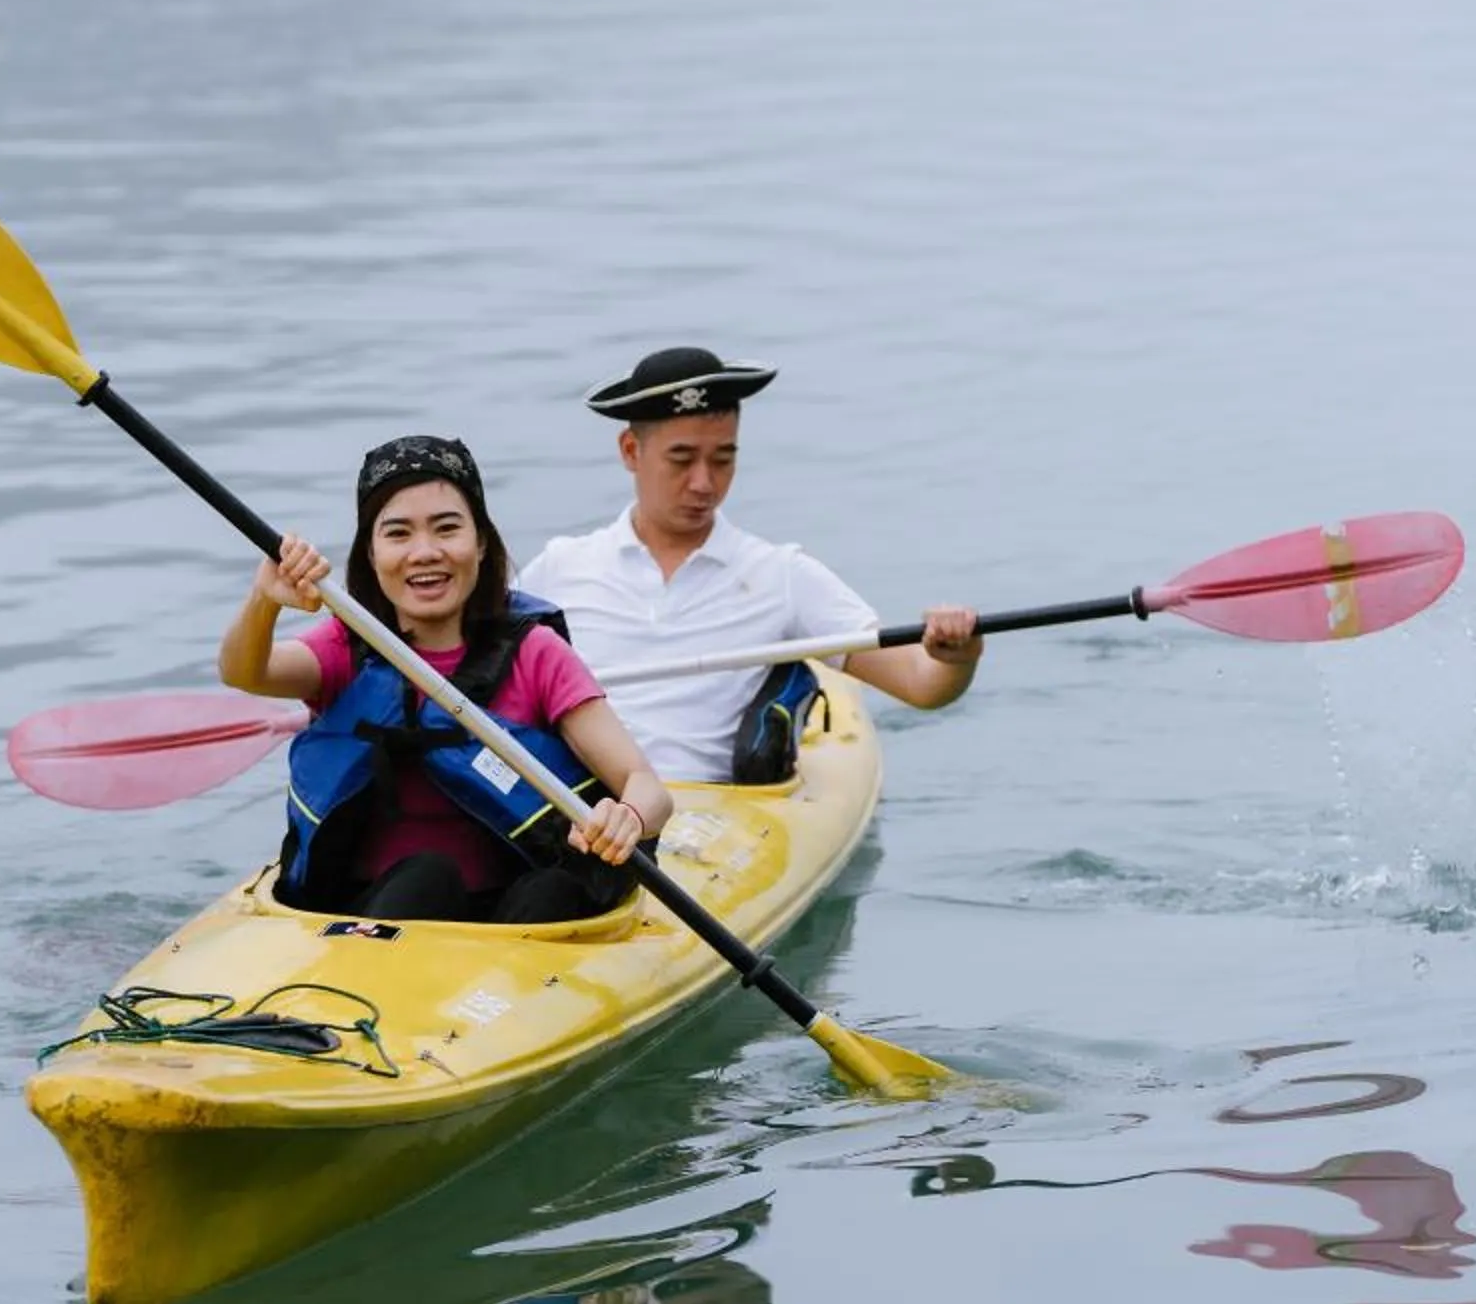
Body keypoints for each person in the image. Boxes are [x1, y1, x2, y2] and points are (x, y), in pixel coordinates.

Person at [221, 434, 674, 925]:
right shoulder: (348, 647)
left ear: (480, 542)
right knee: (426, 878)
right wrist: (264, 600)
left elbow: (646, 785)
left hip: (515, 922)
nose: (425, 552)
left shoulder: (535, 654)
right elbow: (246, 672)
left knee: (555, 889)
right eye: (398, 534)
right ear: (371, 555)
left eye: (447, 529)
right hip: (371, 919)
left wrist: (626, 817)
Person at [512, 347, 982, 785]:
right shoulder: (561, 569)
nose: (704, 483)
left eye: (723, 459)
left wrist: (957, 656)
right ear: (631, 452)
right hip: (584, 807)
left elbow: (922, 686)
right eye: (682, 459)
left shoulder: (781, 576)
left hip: (716, 829)